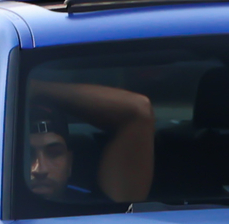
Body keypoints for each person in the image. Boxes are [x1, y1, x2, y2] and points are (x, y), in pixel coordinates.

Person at [24, 81, 155, 204]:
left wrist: (32, 86)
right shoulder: (3, 206)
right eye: (26, 156)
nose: (40, 169)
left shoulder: (95, 208)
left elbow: (139, 110)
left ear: (69, 162)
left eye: (54, 154)